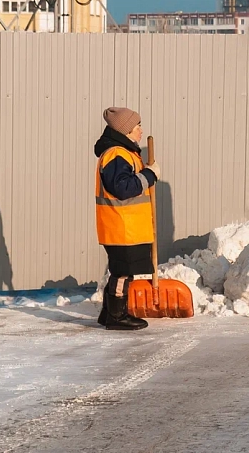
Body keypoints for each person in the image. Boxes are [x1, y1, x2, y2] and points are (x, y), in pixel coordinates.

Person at [93, 107, 161, 331]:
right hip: (121, 225)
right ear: (126, 131)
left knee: (121, 269)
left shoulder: (126, 153)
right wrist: (150, 175)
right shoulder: (116, 154)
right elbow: (122, 188)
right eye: (137, 126)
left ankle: (108, 313)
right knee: (123, 271)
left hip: (125, 225)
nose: (141, 130)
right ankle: (117, 316)